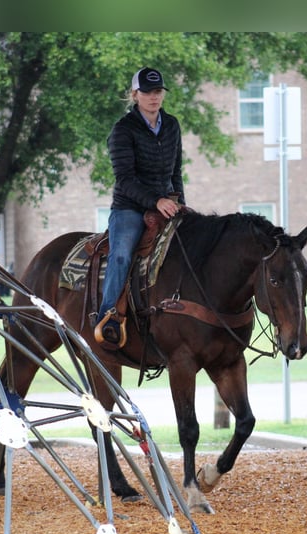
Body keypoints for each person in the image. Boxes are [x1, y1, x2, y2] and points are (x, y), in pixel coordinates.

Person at [94, 67, 185, 348]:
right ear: (134, 95)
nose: (153, 97)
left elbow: (176, 171)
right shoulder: (123, 130)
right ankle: (107, 316)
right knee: (121, 255)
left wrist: (180, 202)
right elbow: (125, 179)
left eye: (157, 91)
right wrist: (156, 201)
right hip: (129, 207)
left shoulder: (171, 125)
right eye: (146, 92)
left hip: (168, 204)